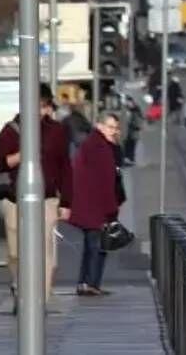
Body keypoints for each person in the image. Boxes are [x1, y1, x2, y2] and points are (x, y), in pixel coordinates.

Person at [0, 84, 73, 311]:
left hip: (46, 200)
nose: (42, 109)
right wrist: (21, 155)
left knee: (44, 252)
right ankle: (19, 285)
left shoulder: (55, 131)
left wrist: (66, 202)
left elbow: (65, 167)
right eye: (38, 103)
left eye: (45, 104)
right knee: (16, 253)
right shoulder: (12, 129)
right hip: (16, 200)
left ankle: (39, 301)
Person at [68, 112, 123, 296]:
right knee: (98, 246)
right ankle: (91, 283)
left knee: (91, 245)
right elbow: (106, 181)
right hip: (96, 206)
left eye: (116, 128)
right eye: (110, 127)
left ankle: (85, 283)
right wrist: (111, 210)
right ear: (99, 125)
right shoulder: (99, 147)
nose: (114, 131)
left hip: (89, 204)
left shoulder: (95, 143)